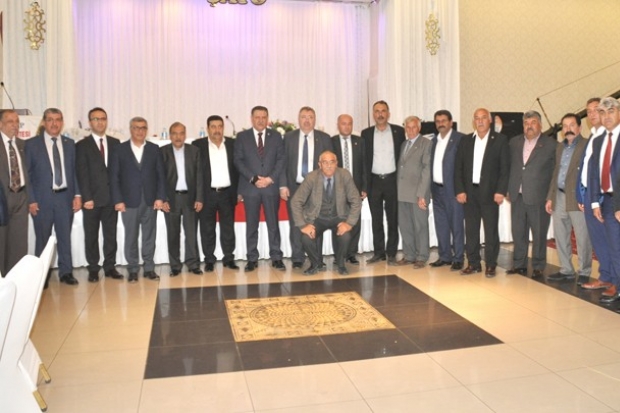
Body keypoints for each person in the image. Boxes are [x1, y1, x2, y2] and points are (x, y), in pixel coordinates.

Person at [26, 108, 82, 286]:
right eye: (50, 119)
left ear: (62, 122)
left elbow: (74, 171)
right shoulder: (31, 144)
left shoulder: (69, 143)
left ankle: (66, 272)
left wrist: (77, 194)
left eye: (57, 119)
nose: (54, 123)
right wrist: (31, 199)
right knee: (42, 239)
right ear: (44, 122)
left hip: (65, 197)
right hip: (42, 199)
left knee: (65, 237)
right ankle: (41, 276)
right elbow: (27, 175)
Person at [109, 116, 166, 283]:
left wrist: (160, 197)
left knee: (149, 236)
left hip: (150, 201)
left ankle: (149, 268)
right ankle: (133, 269)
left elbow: (161, 176)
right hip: (128, 202)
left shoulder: (154, 149)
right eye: (136, 127)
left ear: (146, 130)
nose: (140, 131)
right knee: (131, 237)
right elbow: (114, 177)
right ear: (131, 129)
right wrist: (118, 200)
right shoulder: (120, 149)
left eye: (143, 128)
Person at [454, 108, 509, 277]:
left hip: (491, 193)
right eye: (477, 118)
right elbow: (458, 168)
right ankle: (473, 263)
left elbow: (505, 168)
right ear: (473, 121)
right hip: (469, 193)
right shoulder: (465, 140)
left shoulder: (500, 140)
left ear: (490, 120)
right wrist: (460, 190)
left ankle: (491, 264)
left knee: (490, 230)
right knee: (471, 230)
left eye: (483, 117)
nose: (480, 121)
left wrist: (501, 191)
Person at [291, 151, 361, 275]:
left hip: (338, 216)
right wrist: (303, 225)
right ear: (320, 164)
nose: (329, 166)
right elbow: (296, 201)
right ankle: (315, 264)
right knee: (306, 238)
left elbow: (356, 200)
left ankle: (341, 264)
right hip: (317, 217)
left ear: (336, 163)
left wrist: (349, 223)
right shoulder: (311, 177)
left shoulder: (344, 175)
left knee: (345, 236)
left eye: (332, 162)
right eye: (325, 162)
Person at [280, 107, 333, 269]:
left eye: (310, 117)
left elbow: (330, 166)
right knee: (296, 223)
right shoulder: (289, 138)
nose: (307, 120)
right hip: (294, 187)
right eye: (304, 117)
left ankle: (316, 258)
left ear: (314, 119)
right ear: (299, 119)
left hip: (317, 188)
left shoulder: (324, 138)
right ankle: (297, 257)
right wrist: (283, 185)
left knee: (317, 223)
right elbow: (282, 163)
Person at [234, 106, 285, 271]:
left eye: (264, 117)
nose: (261, 120)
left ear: (267, 118)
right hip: (251, 188)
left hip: (270, 187)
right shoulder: (242, 137)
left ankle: (276, 256)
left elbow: (281, 160)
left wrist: (270, 179)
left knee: (273, 224)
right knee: (251, 225)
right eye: (257, 117)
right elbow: (238, 161)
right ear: (252, 118)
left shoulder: (276, 136)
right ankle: (252, 258)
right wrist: (254, 179)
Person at [75, 107, 123, 282]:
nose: (100, 122)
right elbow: (82, 173)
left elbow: (119, 173)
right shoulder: (82, 145)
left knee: (110, 236)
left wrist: (119, 198)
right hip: (91, 200)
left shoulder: (116, 143)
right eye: (96, 119)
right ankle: (93, 268)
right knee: (91, 236)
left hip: (111, 199)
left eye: (103, 118)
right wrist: (86, 198)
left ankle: (110, 266)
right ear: (90, 122)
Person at [507, 110, 556, 278]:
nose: (529, 126)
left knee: (539, 233)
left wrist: (551, 196)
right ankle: (519, 264)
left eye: (533, 122)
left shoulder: (551, 144)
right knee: (518, 232)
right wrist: (508, 189)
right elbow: (509, 167)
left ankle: (538, 265)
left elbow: (555, 173)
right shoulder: (514, 142)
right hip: (517, 196)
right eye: (526, 123)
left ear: (540, 124)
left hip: (539, 197)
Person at [545, 114, 591, 282]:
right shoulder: (560, 147)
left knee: (582, 236)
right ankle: (566, 269)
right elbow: (556, 172)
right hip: (559, 196)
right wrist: (550, 197)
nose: (568, 129)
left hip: (577, 197)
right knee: (561, 235)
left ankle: (584, 271)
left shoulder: (587, 145)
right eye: (565, 126)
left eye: (572, 125)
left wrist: (586, 197)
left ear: (579, 127)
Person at [193, 115, 239, 272]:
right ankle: (209, 259)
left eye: (220, 126)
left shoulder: (232, 144)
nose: (217, 130)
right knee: (207, 229)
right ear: (207, 129)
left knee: (228, 228)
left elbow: (238, 169)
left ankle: (229, 258)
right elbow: (195, 172)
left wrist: (238, 191)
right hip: (207, 194)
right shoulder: (198, 145)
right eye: (213, 126)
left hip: (227, 193)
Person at [362, 100, 405, 265]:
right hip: (374, 181)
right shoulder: (366, 134)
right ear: (373, 114)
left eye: (383, 111)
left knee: (393, 219)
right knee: (376, 219)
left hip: (392, 180)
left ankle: (391, 253)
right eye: (377, 111)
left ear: (388, 114)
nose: (380, 114)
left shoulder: (398, 132)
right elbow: (364, 161)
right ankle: (379, 253)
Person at [161, 122, 203, 276]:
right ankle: (175, 266)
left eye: (181, 133)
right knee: (173, 234)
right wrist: (163, 199)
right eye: (174, 133)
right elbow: (159, 178)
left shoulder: (194, 151)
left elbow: (199, 176)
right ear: (170, 135)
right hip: (170, 199)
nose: (178, 137)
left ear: (185, 135)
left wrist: (199, 198)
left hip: (190, 198)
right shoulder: (162, 152)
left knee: (191, 233)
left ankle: (193, 264)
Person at [590, 97, 620, 303]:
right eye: (602, 112)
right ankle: (617, 285)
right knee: (614, 247)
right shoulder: (599, 140)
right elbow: (595, 173)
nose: (606, 116)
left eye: (611, 111)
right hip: (607, 201)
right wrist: (594, 202)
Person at [577, 98, 609, 287]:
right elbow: (584, 168)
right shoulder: (593, 136)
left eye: (596, 109)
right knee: (597, 240)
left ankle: (613, 278)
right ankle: (605, 276)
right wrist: (581, 195)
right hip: (588, 195)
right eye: (588, 111)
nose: (592, 114)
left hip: (603, 197)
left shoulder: (609, 136)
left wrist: (598, 199)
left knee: (608, 240)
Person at [429, 109, 465, 271]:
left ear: (451, 122)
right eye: (438, 121)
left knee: (456, 226)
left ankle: (458, 258)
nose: (441, 124)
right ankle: (445, 256)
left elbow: (464, 166)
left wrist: (461, 190)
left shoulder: (460, 139)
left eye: (444, 121)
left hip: (453, 191)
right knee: (441, 225)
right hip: (437, 190)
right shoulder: (433, 141)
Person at [396, 116, 431, 268]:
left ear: (419, 128)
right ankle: (409, 255)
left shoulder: (426, 143)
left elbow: (427, 170)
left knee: (420, 226)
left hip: (418, 193)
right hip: (402, 192)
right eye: (408, 127)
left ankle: (422, 256)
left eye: (413, 127)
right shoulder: (404, 144)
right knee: (405, 226)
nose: (410, 130)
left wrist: (422, 194)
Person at [332, 114, 367, 265]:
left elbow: (365, 166)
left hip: (355, 189)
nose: (346, 126)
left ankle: (351, 253)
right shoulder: (331, 141)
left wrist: (364, 187)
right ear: (338, 125)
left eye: (349, 124)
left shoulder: (360, 141)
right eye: (343, 123)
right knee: (338, 222)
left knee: (355, 222)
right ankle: (339, 254)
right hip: (337, 189)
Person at [0, 109, 29, 276]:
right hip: (2, 199)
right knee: (2, 240)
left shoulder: (23, 145)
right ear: (0, 124)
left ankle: (16, 277)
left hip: (21, 197)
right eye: (10, 121)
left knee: (19, 242)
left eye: (17, 121)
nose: (15, 125)